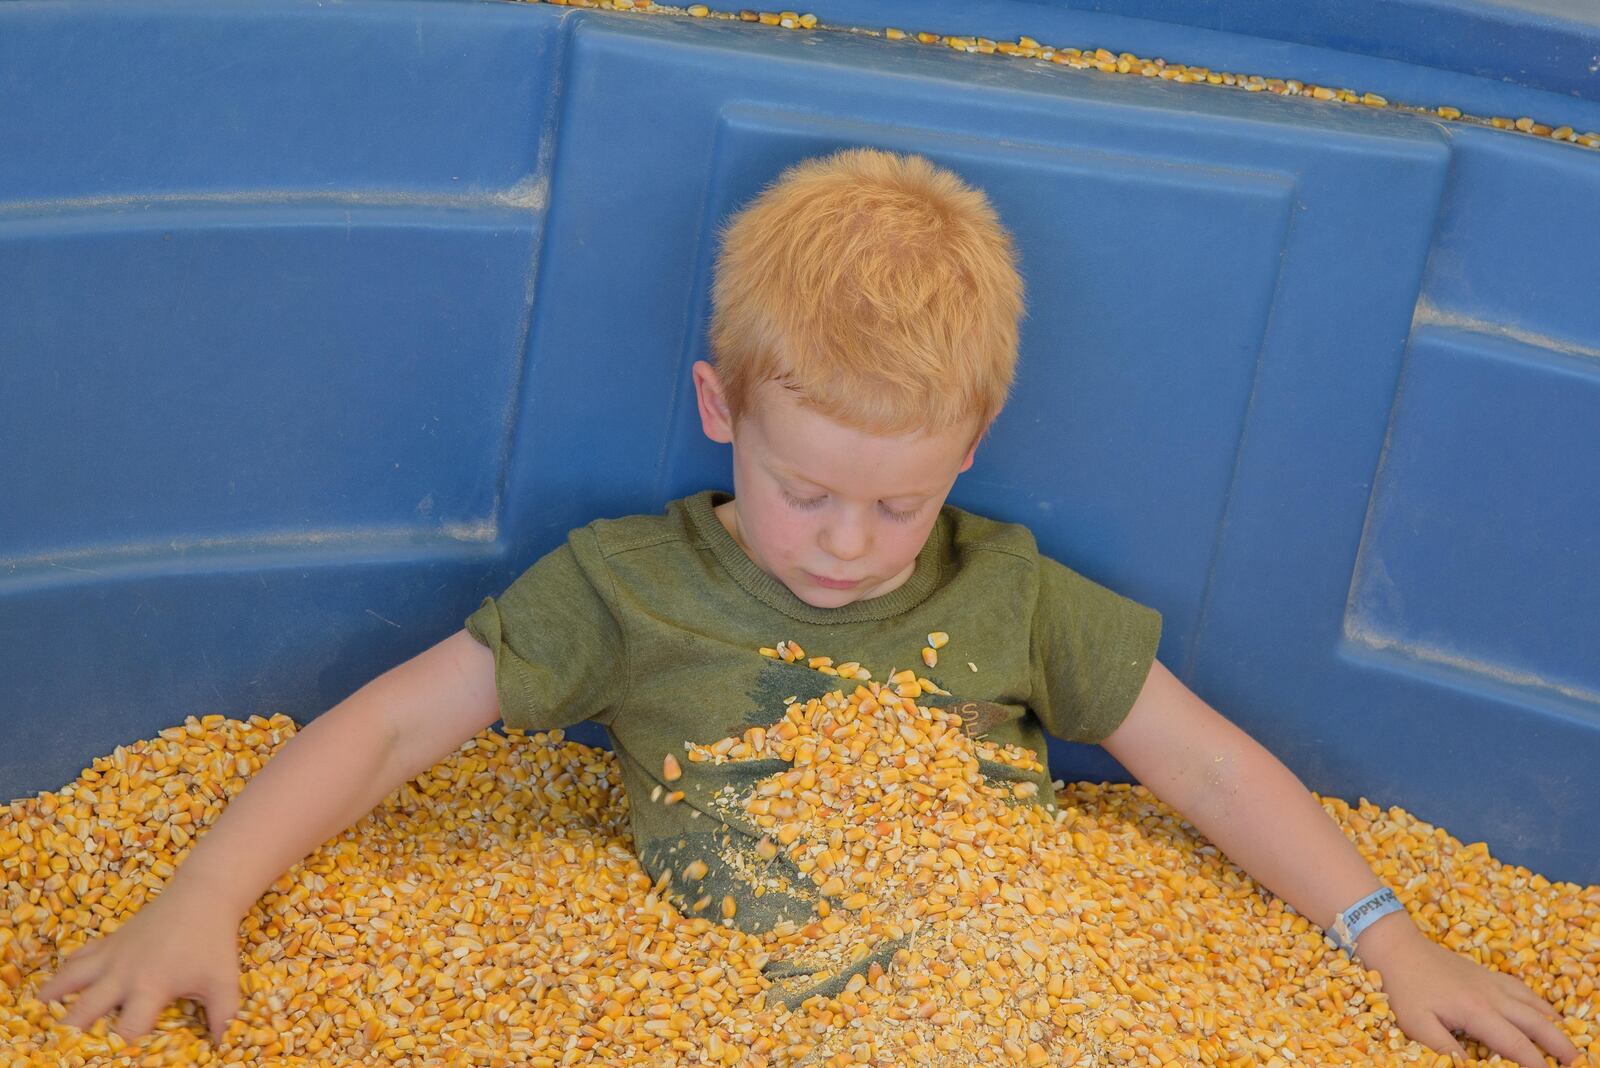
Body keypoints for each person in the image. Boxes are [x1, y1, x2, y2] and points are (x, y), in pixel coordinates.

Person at [39, 148, 1578, 1067]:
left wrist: (1394, 945)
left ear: (969, 451)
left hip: (1022, 1001)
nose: (849, 543)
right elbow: (385, 733)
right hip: (743, 1015)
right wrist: (202, 896)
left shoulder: (1012, 594)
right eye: (807, 490)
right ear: (719, 411)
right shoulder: (628, 588)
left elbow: (1213, 766)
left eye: (899, 503)